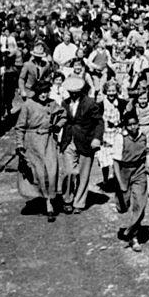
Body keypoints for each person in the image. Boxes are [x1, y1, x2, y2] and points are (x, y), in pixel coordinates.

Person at [14, 78, 63, 221]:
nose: (44, 95)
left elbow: (63, 115)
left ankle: (50, 197)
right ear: (36, 92)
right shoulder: (28, 105)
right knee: (39, 173)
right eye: (41, 92)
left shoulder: (52, 104)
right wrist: (19, 145)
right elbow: (20, 127)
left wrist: (58, 125)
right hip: (32, 142)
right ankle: (47, 203)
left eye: (46, 92)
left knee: (52, 171)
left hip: (48, 141)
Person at [58, 76, 104, 213]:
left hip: (86, 141)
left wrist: (97, 138)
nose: (73, 94)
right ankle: (67, 199)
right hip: (68, 140)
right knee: (69, 172)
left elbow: (99, 123)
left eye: (76, 91)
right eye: (71, 91)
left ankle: (79, 203)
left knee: (84, 174)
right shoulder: (64, 103)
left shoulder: (90, 103)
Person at [115, 111, 149, 251]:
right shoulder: (120, 138)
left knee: (140, 203)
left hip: (139, 171)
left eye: (136, 124)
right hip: (124, 171)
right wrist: (121, 183)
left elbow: (145, 155)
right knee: (123, 206)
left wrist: (148, 169)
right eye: (130, 125)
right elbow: (116, 163)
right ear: (125, 126)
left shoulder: (143, 136)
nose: (134, 127)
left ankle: (132, 235)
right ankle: (122, 202)